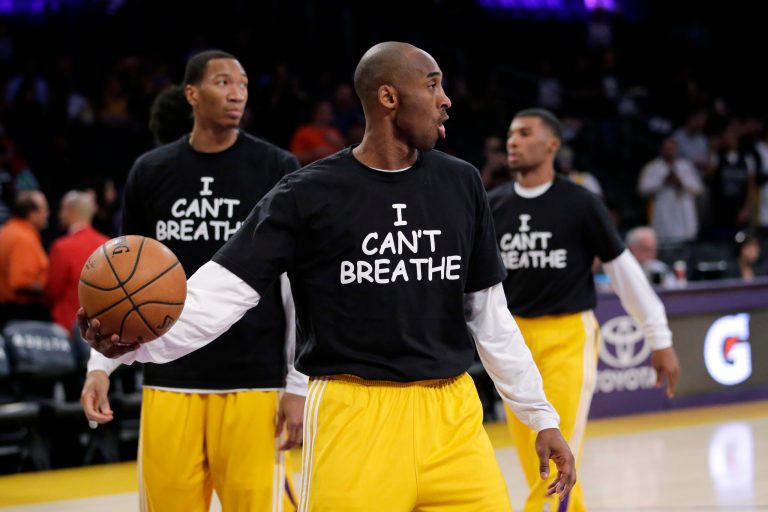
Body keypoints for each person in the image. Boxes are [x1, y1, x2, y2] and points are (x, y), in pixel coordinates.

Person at [81, 41, 576, 511]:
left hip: (454, 415)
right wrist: (128, 348)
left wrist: (540, 416)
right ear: (388, 97)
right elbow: (219, 295)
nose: (446, 100)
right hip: (351, 415)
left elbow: (490, 317)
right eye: (432, 85)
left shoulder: (462, 182)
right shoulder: (305, 194)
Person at [79, 50, 306, 512]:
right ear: (191, 94)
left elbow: (295, 284)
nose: (237, 93)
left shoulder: (277, 169)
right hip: (168, 380)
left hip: (254, 382)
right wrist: (99, 367)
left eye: (242, 83)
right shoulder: (150, 172)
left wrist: (297, 384)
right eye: (223, 82)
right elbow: (119, 280)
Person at [488, 108, 680, 512]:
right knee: (534, 464)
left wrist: (658, 338)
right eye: (510, 134)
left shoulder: (580, 203)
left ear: (552, 145)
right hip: (510, 343)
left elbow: (625, 273)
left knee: (556, 455)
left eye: (524, 133)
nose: (513, 141)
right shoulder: (493, 205)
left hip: (567, 337)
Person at [45, 190, 108, 329]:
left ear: (70, 210)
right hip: (100, 329)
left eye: (61, 209)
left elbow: (51, 292)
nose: (59, 214)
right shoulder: (107, 245)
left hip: (67, 328)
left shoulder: (62, 247)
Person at [0, 189, 50, 327]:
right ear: (32, 214)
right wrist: (49, 287)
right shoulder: (23, 238)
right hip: (19, 315)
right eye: (44, 210)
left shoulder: (7, 230)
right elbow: (21, 282)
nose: (47, 214)